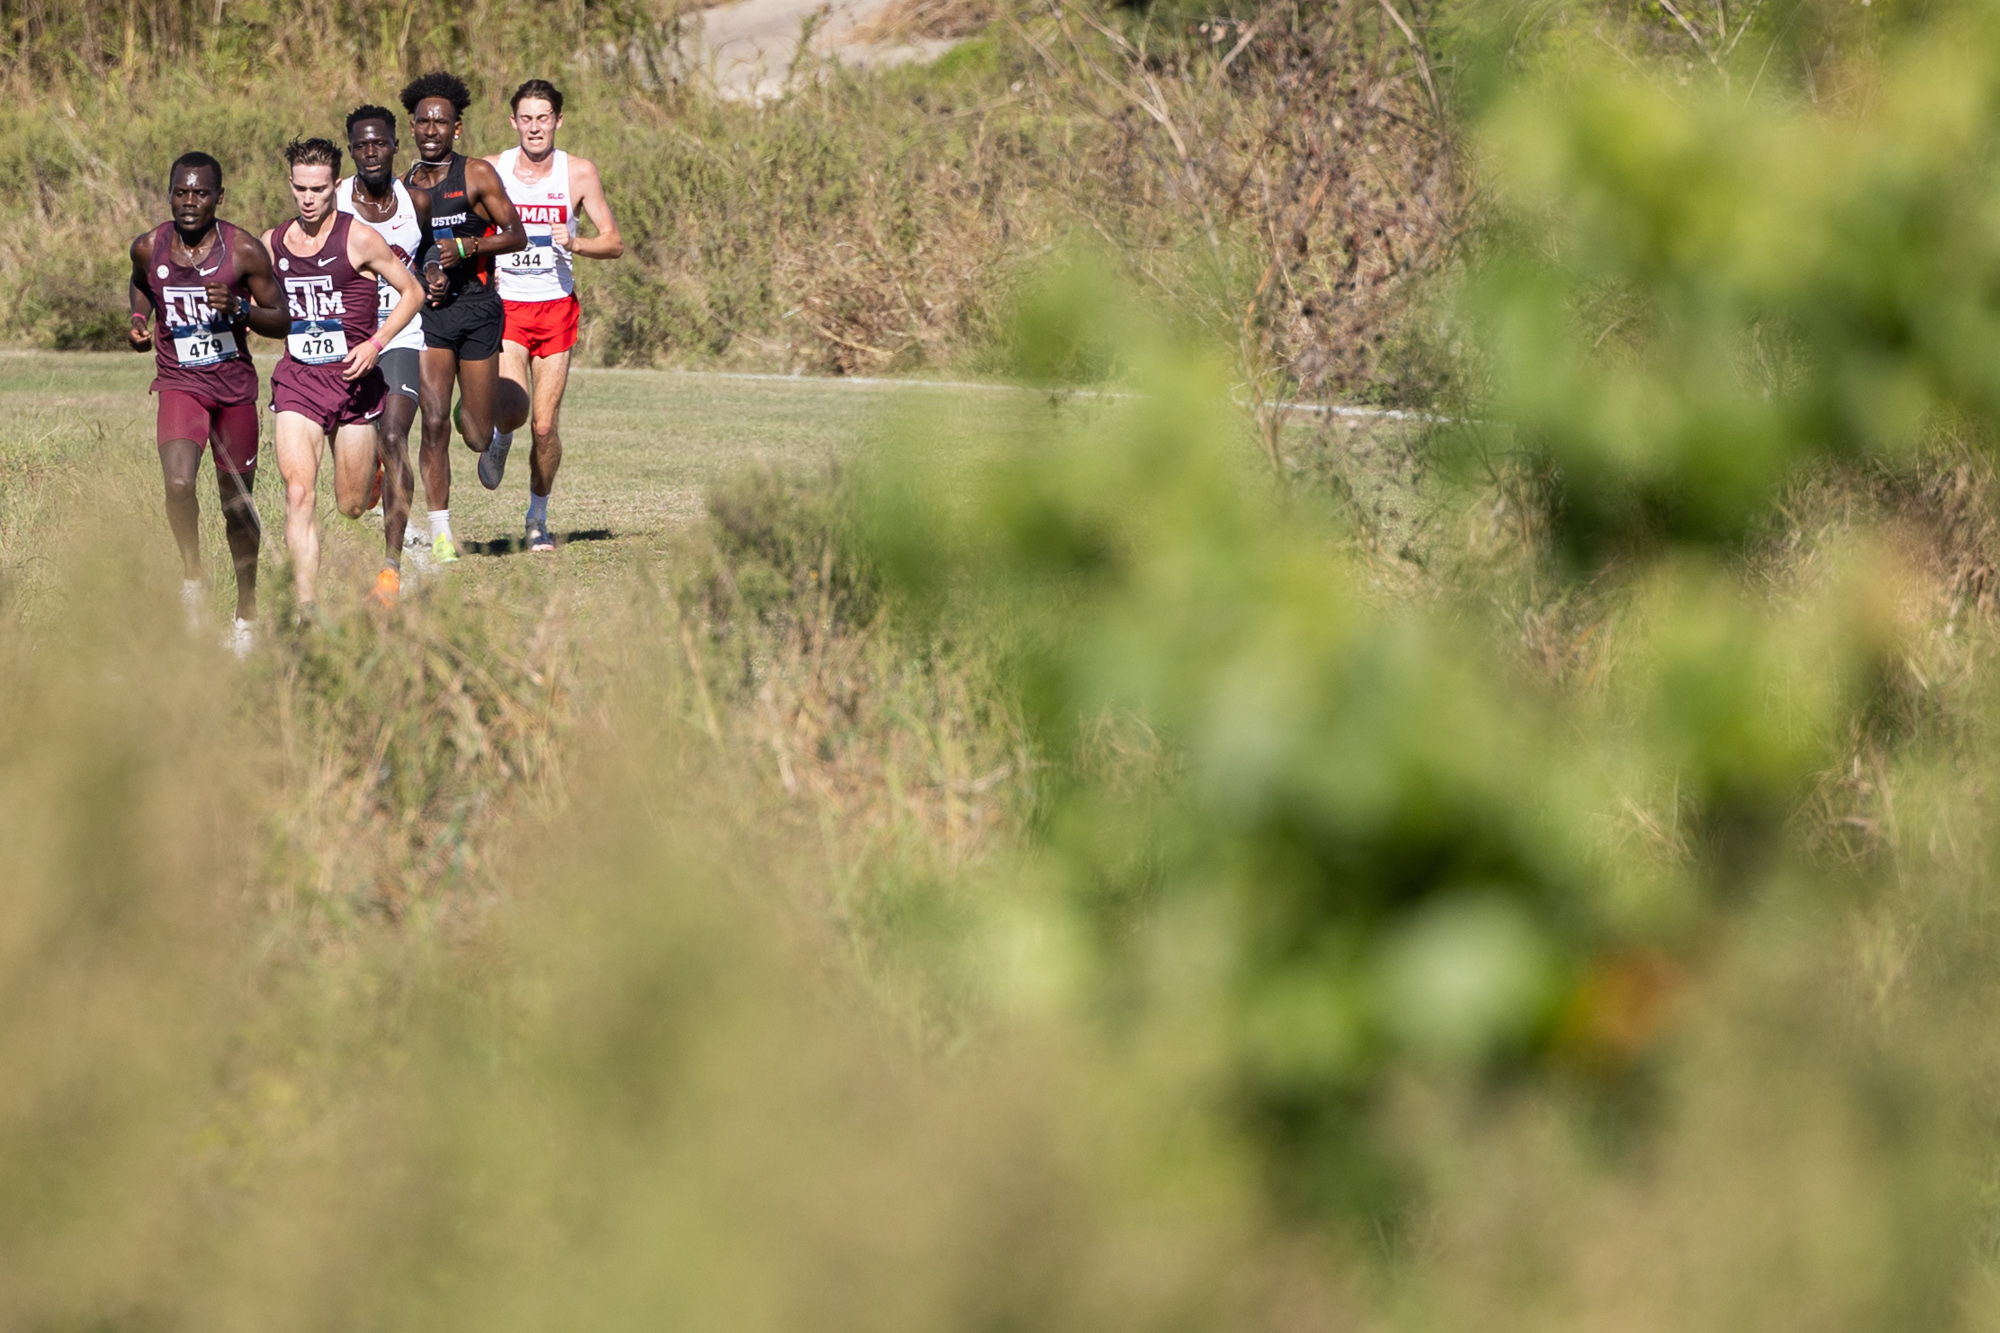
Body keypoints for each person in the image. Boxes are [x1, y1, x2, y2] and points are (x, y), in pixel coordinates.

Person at [128, 150, 291, 656]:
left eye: (201, 193)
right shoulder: (149, 246)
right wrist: (140, 321)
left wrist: (241, 308)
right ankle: (193, 579)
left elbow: (282, 317)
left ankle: (246, 613)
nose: (190, 202)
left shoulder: (242, 251)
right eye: (181, 192)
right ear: (170, 193)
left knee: (236, 504)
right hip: (180, 381)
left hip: (234, 391)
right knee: (178, 481)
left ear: (219, 198)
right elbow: (140, 285)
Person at [264, 137, 423, 612]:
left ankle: (372, 475)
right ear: (291, 186)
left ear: (336, 185)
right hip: (299, 383)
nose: (308, 199)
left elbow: (412, 292)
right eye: (300, 189)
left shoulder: (359, 237)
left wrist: (376, 345)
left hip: (354, 385)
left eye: (318, 189)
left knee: (351, 507)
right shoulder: (275, 243)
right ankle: (306, 611)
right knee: (298, 492)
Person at [483, 77, 622, 552]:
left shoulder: (579, 172)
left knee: (545, 427)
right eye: (526, 118)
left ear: (558, 121)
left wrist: (577, 242)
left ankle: (537, 517)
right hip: (508, 307)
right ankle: (501, 436)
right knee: (512, 411)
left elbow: (614, 241)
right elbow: (450, 214)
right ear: (513, 122)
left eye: (544, 118)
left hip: (557, 309)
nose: (535, 127)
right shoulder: (491, 169)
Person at [400, 69, 526, 564]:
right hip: (430, 316)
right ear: (412, 127)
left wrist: (470, 245)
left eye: (441, 122)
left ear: (457, 128)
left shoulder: (476, 175)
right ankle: (442, 533)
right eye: (422, 122)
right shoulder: (403, 183)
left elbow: (516, 234)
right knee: (431, 423)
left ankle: (497, 414)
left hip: (476, 309)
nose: (431, 130)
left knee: (473, 434)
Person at [337, 103, 435, 599]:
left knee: (396, 434)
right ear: (351, 149)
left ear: (396, 145)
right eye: (360, 144)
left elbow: (434, 248)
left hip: (401, 334)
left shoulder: (415, 201)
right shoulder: (333, 202)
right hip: (347, 339)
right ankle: (371, 468)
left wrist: (436, 270)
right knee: (351, 499)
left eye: (379, 142)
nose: (370, 152)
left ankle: (390, 569)